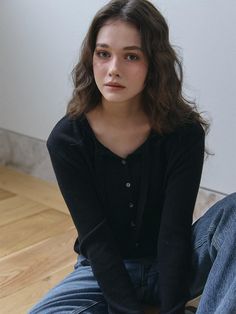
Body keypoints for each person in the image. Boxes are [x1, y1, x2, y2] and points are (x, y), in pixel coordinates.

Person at [29, 1, 236, 313]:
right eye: (103, 54)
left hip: (177, 263)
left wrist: (172, 308)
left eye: (131, 56)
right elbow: (96, 242)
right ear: (91, 58)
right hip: (104, 271)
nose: (114, 68)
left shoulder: (184, 132)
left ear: (154, 63)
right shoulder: (68, 139)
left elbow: (174, 232)